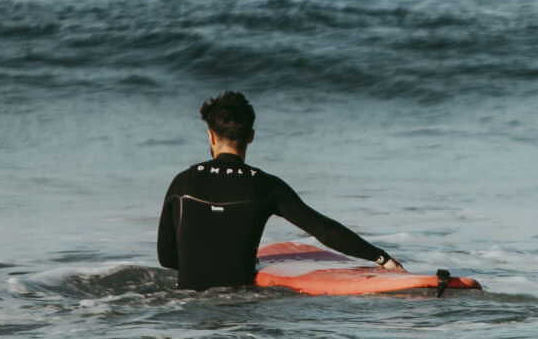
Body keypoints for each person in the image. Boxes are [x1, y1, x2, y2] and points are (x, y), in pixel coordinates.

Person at [157, 92, 405, 290]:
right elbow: (322, 229)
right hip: (242, 308)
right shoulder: (266, 185)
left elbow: (166, 257)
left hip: (188, 313)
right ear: (251, 136)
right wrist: (380, 257)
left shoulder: (182, 182)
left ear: (211, 135)